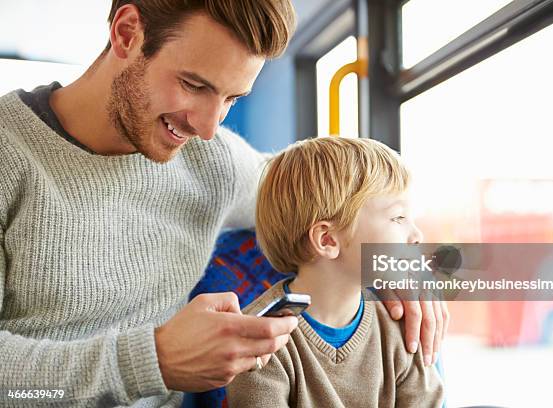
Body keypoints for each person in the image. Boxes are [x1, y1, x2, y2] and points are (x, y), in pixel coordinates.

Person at [0, 1, 448, 407]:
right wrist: (149, 361)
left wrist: (398, 261)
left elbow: (325, 197)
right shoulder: (9, 157)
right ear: (127, 32)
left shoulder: (210, 160)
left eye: (231, 99)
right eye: (194, 85)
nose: (208, 127)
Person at [226, 137, 444, 407]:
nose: (416, 236)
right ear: (327, 240)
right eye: (398, 218)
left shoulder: (399, 328)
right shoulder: (261, 339)